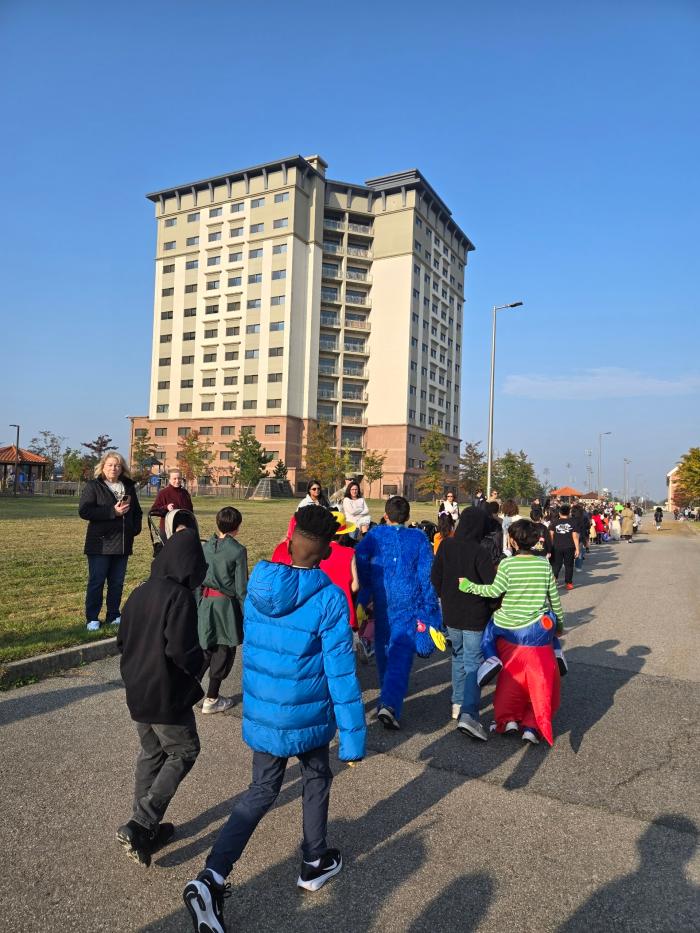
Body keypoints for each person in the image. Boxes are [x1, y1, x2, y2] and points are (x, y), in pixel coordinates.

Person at [183, 507, 366, 932]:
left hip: (266, 710)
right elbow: (340, 672)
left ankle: (212, 877)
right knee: (317, 776)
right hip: (308, 712)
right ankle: (314, 859)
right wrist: (354, 740)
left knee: (261, 790)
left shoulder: (260, 585)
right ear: (322, 548)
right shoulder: (329, 597)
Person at [115, 528, 207, 867]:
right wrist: (201, 663)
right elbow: (181, 649)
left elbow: (121, 640)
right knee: (184, 749)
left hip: (137, 687)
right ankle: (141, 822)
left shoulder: (139, 591)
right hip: (166, 692)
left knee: (152, 752)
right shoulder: (178, 597)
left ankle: (144, 826)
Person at [459, 520, 564, 746]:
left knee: (510, 676)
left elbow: (495, 591)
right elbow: (554, 599)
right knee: (539, 680)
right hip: (538, 631)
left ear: (513, 542)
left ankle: (507, 718)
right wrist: (560, 625)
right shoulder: (544, 565)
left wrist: (469, 586)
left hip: (507, 630)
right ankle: (532, 726)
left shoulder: (507, 565)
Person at [355, 496, 442, 730]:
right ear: (408, 516)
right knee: (401, 652)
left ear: (386, 515)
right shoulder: (418, 538)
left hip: (382, 598)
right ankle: (390, 703)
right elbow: (427, 574)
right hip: (408, 599)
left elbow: (360, 560)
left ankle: (387, 692)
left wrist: (366, 592)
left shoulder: (374, 536)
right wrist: (430, 606)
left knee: (385, 646)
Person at [431, 509, 496, 738]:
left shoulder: (446, 546)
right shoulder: (480, 551)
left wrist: (445, 597)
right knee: (473, 663)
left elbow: (435, 577)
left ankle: (457, 702)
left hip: (451, 613)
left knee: (457, 657)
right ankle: (469, 712)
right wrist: (491, 609)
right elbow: (491, 585)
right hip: (474, 615)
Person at [78, 452, 142, 631]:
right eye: (110, 465)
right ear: (103, 467)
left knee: (117, 582)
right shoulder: (94, 486)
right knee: (97, 581)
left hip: (122, 543)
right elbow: (84, 511)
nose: (114, 468)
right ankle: (92, 618)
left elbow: (137, 512)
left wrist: (134, 529)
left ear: (122, 468)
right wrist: (112, 512)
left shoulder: (128, 486)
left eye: (118, 465)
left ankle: (113, 614)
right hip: (100, 543)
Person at [197, 507, 248, 715]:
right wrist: (248, 615)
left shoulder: (205, 547)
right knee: (223, 651)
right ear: (237, 527)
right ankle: (212, 697)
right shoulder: (238, 550)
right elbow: (241, 588)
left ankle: (187, 691)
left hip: (206, 602)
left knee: (205, 648)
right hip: (225, 605)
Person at [149, 468, 194, 533]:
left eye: (179, 478)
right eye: (174, 478)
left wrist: (187, 525)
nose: (177, 481)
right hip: (168, 530)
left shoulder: (185, 493)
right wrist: (166, 507)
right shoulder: (163, 493)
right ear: (169, 480)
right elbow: (153, 511)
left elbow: (190, 511)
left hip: (184, 528)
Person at [550, 505, 580, 590]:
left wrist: (550, 546)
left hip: (556, 547)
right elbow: (575, 536)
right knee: (569, 565)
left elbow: (551, 535)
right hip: (569, 546)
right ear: (569, 513)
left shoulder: (554, 522)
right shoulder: (573, 522)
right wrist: (577, 549)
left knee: (556, 564)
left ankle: (554, 580)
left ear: (559, 513)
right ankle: (569, 583)